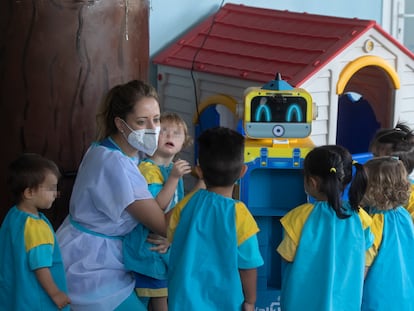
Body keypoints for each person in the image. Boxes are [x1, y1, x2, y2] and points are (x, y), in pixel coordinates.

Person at [56, 80, 168, 311]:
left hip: (96, 252)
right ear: (120, 123)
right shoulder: (115, 164)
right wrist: (203, 189)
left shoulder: (111, 149)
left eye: (156, 119)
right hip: (92, 265)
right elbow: (162, 224)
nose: (151, 128)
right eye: (141, 121)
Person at [167, 126, 263, 311]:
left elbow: (170, 234)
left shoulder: (187, 204)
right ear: (243, 171)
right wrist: (250, 301)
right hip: (226, 304)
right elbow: (248, 265)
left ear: (199, 171)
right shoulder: (239, 215)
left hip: (182, 302)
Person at [276, 145, 374, 311]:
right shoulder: (361, 218)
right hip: (345, 303)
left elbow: (287, 257)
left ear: (311, 182)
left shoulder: (298, 217)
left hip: (301, 303)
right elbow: (367, 259)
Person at [123, 112, 193, 311]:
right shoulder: (149, 169)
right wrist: (173, 179)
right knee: (160, 303)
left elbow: (176, 211)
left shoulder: (172, 169)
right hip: (149, 250)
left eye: (177, 133)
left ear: (184, 143)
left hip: (163, 246)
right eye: (164, 131)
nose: (170, 136)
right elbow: (157, 207)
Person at [0, 153, 71, 310]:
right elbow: (40, 267)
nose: (56, 193)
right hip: (37, 301)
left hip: (16, 295)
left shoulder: (14, 215)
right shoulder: (36, 227)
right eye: (51, 188)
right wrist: (55, 294)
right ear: (29, 193)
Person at [361, 156, 414, 311]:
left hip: (377, 302)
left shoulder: (374, 222)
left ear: (374, 189)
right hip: (405, 298)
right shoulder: (403, 215)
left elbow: (363, 267)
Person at [369, 122, 414, 219]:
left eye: (378, 158)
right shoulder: (372, 187)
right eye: (373, 156)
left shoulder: (411, 197)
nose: (371, 162)